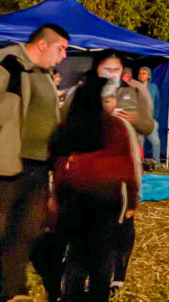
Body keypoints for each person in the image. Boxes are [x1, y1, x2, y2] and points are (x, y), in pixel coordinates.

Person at [0, 23, 69, 302]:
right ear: (42, 44)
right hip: (0, 167)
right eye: (61, 48)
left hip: (38, 168)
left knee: (25, 232)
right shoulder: (6, 64)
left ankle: (12, 289)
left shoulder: (44, 75)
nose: (64, 55)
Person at [61, 50, 153, 293]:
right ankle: (74, 288)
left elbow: (147, 124)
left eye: (116, 69)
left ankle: (117, 274)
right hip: (85, 176)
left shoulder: (130, 92)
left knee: (121, 227)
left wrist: (130, 118)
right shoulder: (81, 94)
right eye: (107, 69)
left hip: (122, 169)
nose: (112, 73)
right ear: (96, 69)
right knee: (81, 237)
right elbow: (64, 127)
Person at [136, 66, 161, 165]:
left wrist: (154, 119)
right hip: (138, 121)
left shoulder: (153, 88)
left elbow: (157, 103)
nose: (141, 75)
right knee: (139, 143)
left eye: (144, 73)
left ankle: (156, 162)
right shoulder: (135, 87)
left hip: (150, 120)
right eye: (140, 73)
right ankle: (139, 162)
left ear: (149, 76)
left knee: (156, 141)